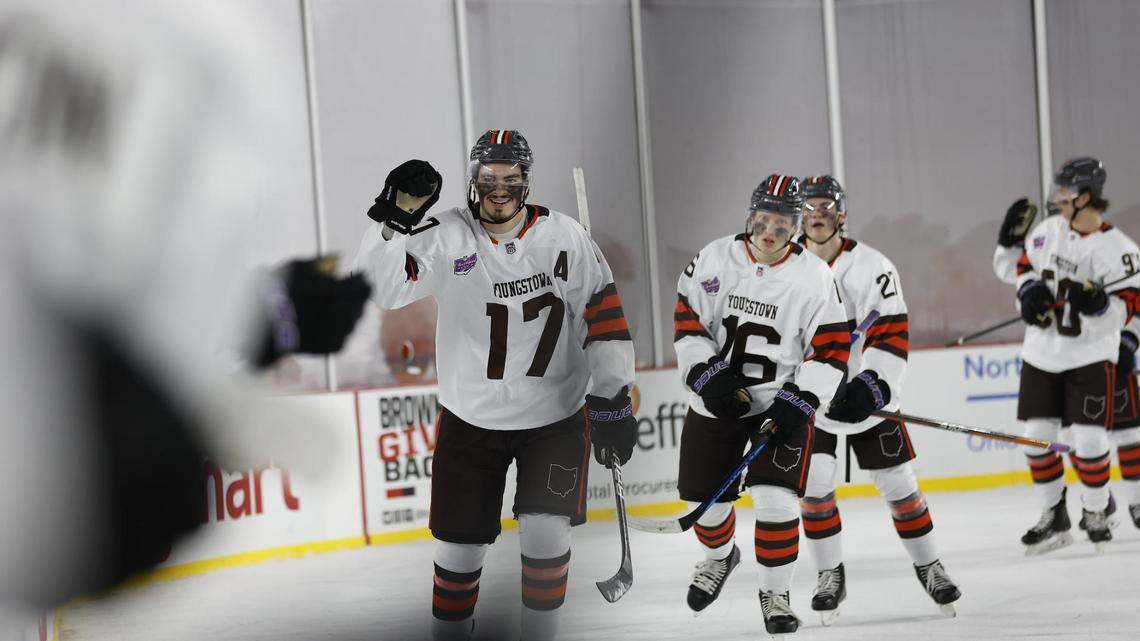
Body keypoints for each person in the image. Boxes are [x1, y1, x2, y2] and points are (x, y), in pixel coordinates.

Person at [354, 130, 638, 641]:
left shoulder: (566, 237)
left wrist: (612, 396)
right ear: (473, 180)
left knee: (546, 534)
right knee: (457, 552)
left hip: (554, 417)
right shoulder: (447, 235)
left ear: (527, 182)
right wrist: (391, 222)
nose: (499, 188)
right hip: (470, 417)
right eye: (489, 178)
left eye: (511, 178)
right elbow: (382, 289)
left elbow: (604, 319)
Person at [672, 174, 848, 635]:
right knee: (704, 505)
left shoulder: (814, 276)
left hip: (778, 406)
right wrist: (708, 375)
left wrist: (802, 398)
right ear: (750, 217)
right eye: (763, 221)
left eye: (782, 224)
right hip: (716, 402)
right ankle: (719, 557)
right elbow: (688, 323)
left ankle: (776, 594)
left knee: (775, 502)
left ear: (796, 227)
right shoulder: (713, 259)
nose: (770, 232)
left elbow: (831, 348)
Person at [798, 175, 960, 622]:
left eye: (826, 208)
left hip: (865, 397)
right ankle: (829, 574)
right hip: (813, 399)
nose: (817, 217)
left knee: (898, 481)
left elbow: (890, 332)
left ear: (842, 216)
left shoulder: (874, 267)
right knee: (814, 486)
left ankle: (930, 566)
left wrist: (872, 385)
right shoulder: (788, 269)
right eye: (808, 209)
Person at [992, 157, 1140, 554]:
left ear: (1085, 196)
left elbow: (1126, 309)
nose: (1057, 198)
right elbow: (1023, 269)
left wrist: (1100, 307)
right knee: (1036, 438)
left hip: (1090, 356)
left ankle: (1097, 510)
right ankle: (1054, 516)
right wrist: (1028, 292)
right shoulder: (1047, 232)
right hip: (1041, 354)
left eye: (1064, 191)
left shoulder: (1120, 250)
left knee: (1090, 439)